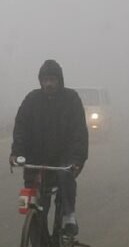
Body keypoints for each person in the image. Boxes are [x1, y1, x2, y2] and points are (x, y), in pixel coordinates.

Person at [9, 59, 89, 237]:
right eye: (45, 80)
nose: (49, 84)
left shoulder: (71, 99)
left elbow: (79, 133)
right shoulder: (32, 99)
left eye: (52, 80)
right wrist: (17, 153)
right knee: (34, 203)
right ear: (40, 81)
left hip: (64, 158)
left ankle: (69, 217)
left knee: (65, 177)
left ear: (60, 80)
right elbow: (21, 128)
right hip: (37, 159)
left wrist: (77, 160)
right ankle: (37, 241)